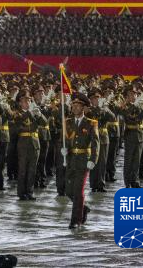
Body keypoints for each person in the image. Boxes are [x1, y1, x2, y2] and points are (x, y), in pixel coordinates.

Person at [63, 94, 99, 230]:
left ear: (83, 108)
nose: (75, 108)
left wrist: (93, 159)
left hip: (84, 160)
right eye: (73, 105)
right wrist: (64, 149)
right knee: (68, 191)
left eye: (78, 106)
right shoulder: (68, 122)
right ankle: (83, 208)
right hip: (71, 159)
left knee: (78, 191)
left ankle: (75, 221)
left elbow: (95, 143)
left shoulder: (91, 123)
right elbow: (65, 140)